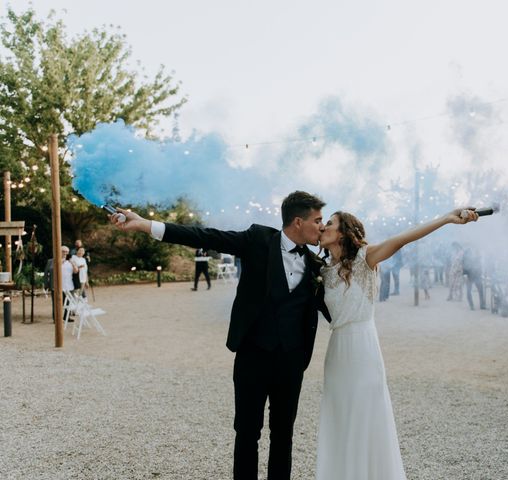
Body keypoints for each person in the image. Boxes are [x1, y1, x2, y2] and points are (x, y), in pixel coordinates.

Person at [108, 191, 329, 480]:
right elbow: (204, 236)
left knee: (284, 435)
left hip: (291, 362)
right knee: (248, 433)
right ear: (298, 221)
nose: (322, 227)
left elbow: (335, 306)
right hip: (252, 355)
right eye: (318, 220)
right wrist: (144, 224)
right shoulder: (257, 239)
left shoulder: (315, 264)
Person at [315, 207, 478, 480]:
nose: (323, 228)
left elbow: (402, 239)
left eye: (329, 224)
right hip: (337, 352)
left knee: (365, 418)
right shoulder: (323, 270)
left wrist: (447, 218)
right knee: (339, 419)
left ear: (344, 233)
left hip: (363, 349)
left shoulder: (365, 260)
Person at [462, 246, 486, 310]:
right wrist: (465, 275)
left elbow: (480, 264)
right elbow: (464, 264)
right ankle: (471, 305)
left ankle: (482, 305)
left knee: (481, 290)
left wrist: (481, 273)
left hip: (477, 275)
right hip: (469, 275)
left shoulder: (478, 253)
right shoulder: (467, 252)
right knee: (468, 291)